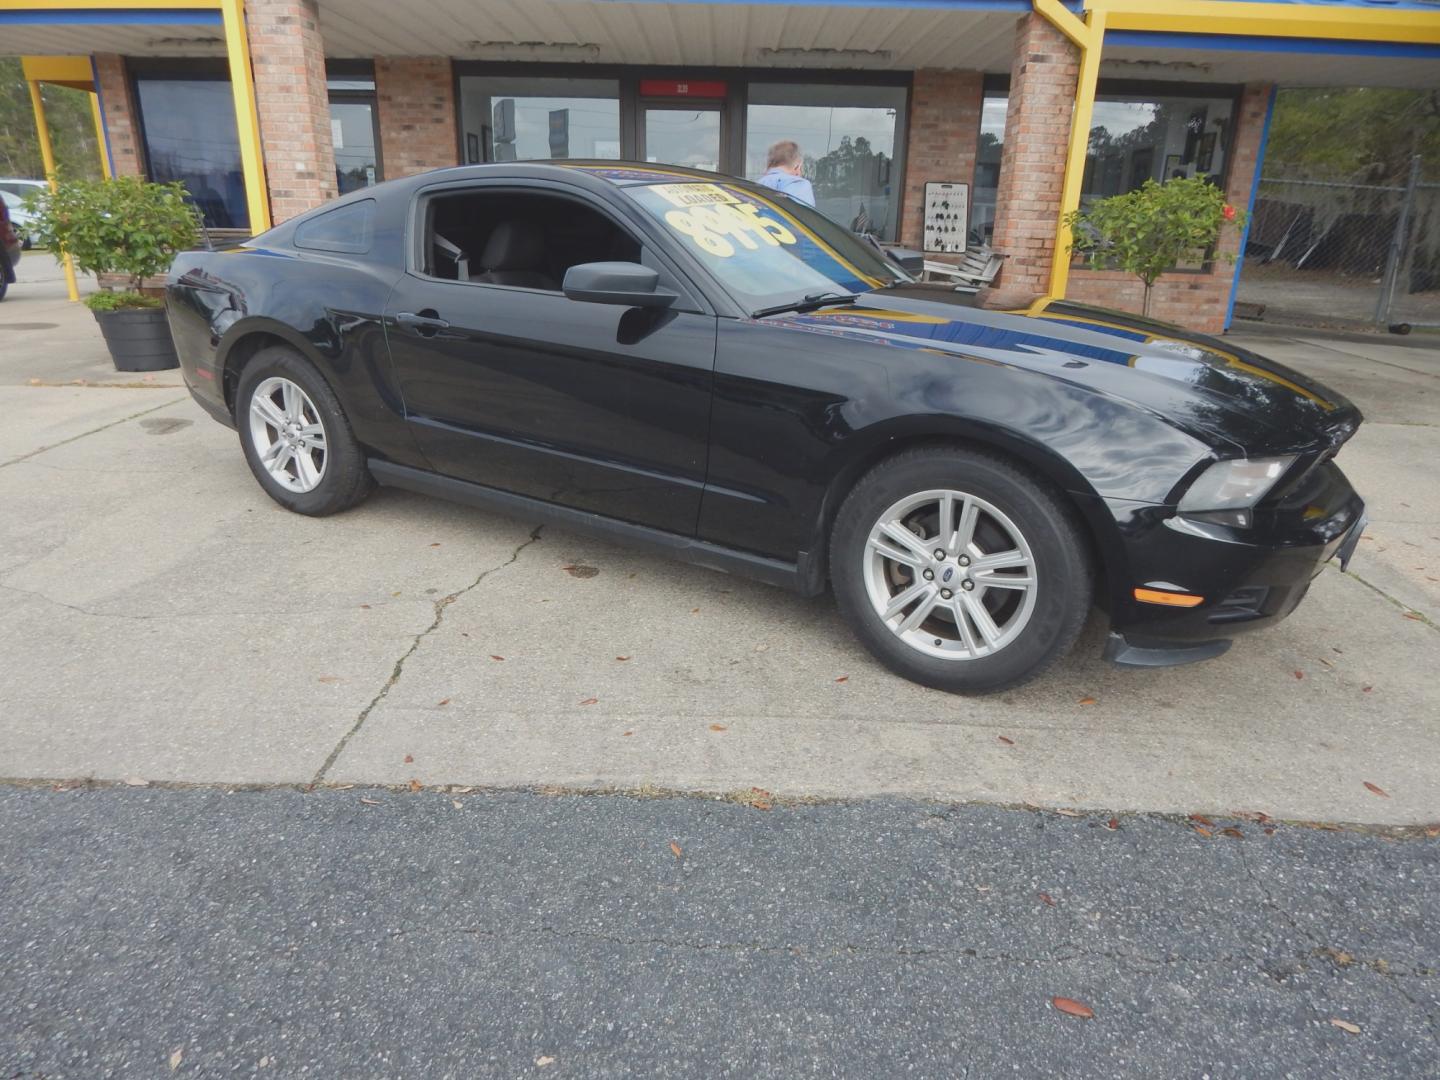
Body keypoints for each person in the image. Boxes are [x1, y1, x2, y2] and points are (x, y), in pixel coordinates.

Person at [756, 140, 816, 207]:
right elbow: (804, 215)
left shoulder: (756, 185)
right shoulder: (799, 184)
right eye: (801, 169)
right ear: (797, 166)